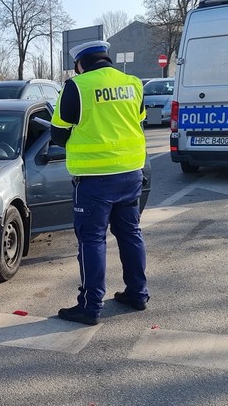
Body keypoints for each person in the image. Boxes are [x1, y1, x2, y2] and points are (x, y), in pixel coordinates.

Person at [50, 39, 149, 325]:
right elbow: (137, 121)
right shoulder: (133, 83)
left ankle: (90, 306)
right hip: (131, 173)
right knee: (130, 233)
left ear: (79, 64)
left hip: (94, 180)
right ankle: (138, 293)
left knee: (92, 240)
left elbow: (58, 134)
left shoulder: (77, 86)